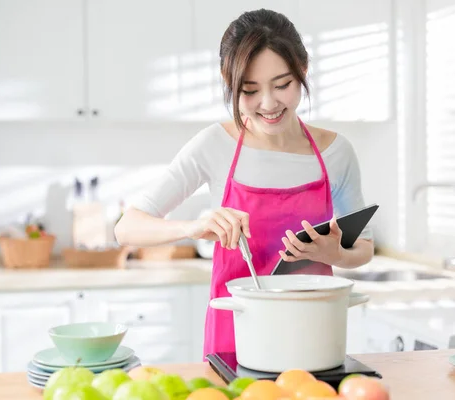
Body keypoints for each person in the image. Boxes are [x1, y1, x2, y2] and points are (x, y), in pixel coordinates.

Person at [114, 8, 374, 358]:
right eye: (250, 90)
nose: (268, 104)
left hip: (313, 333)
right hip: (237, 334)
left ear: (303, 71)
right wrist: (195, 226)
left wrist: (336, 254)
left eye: (282, 85)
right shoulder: (214, 145)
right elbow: (126, 228)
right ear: (230, 83)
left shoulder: (337, 153)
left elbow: (364, 249)